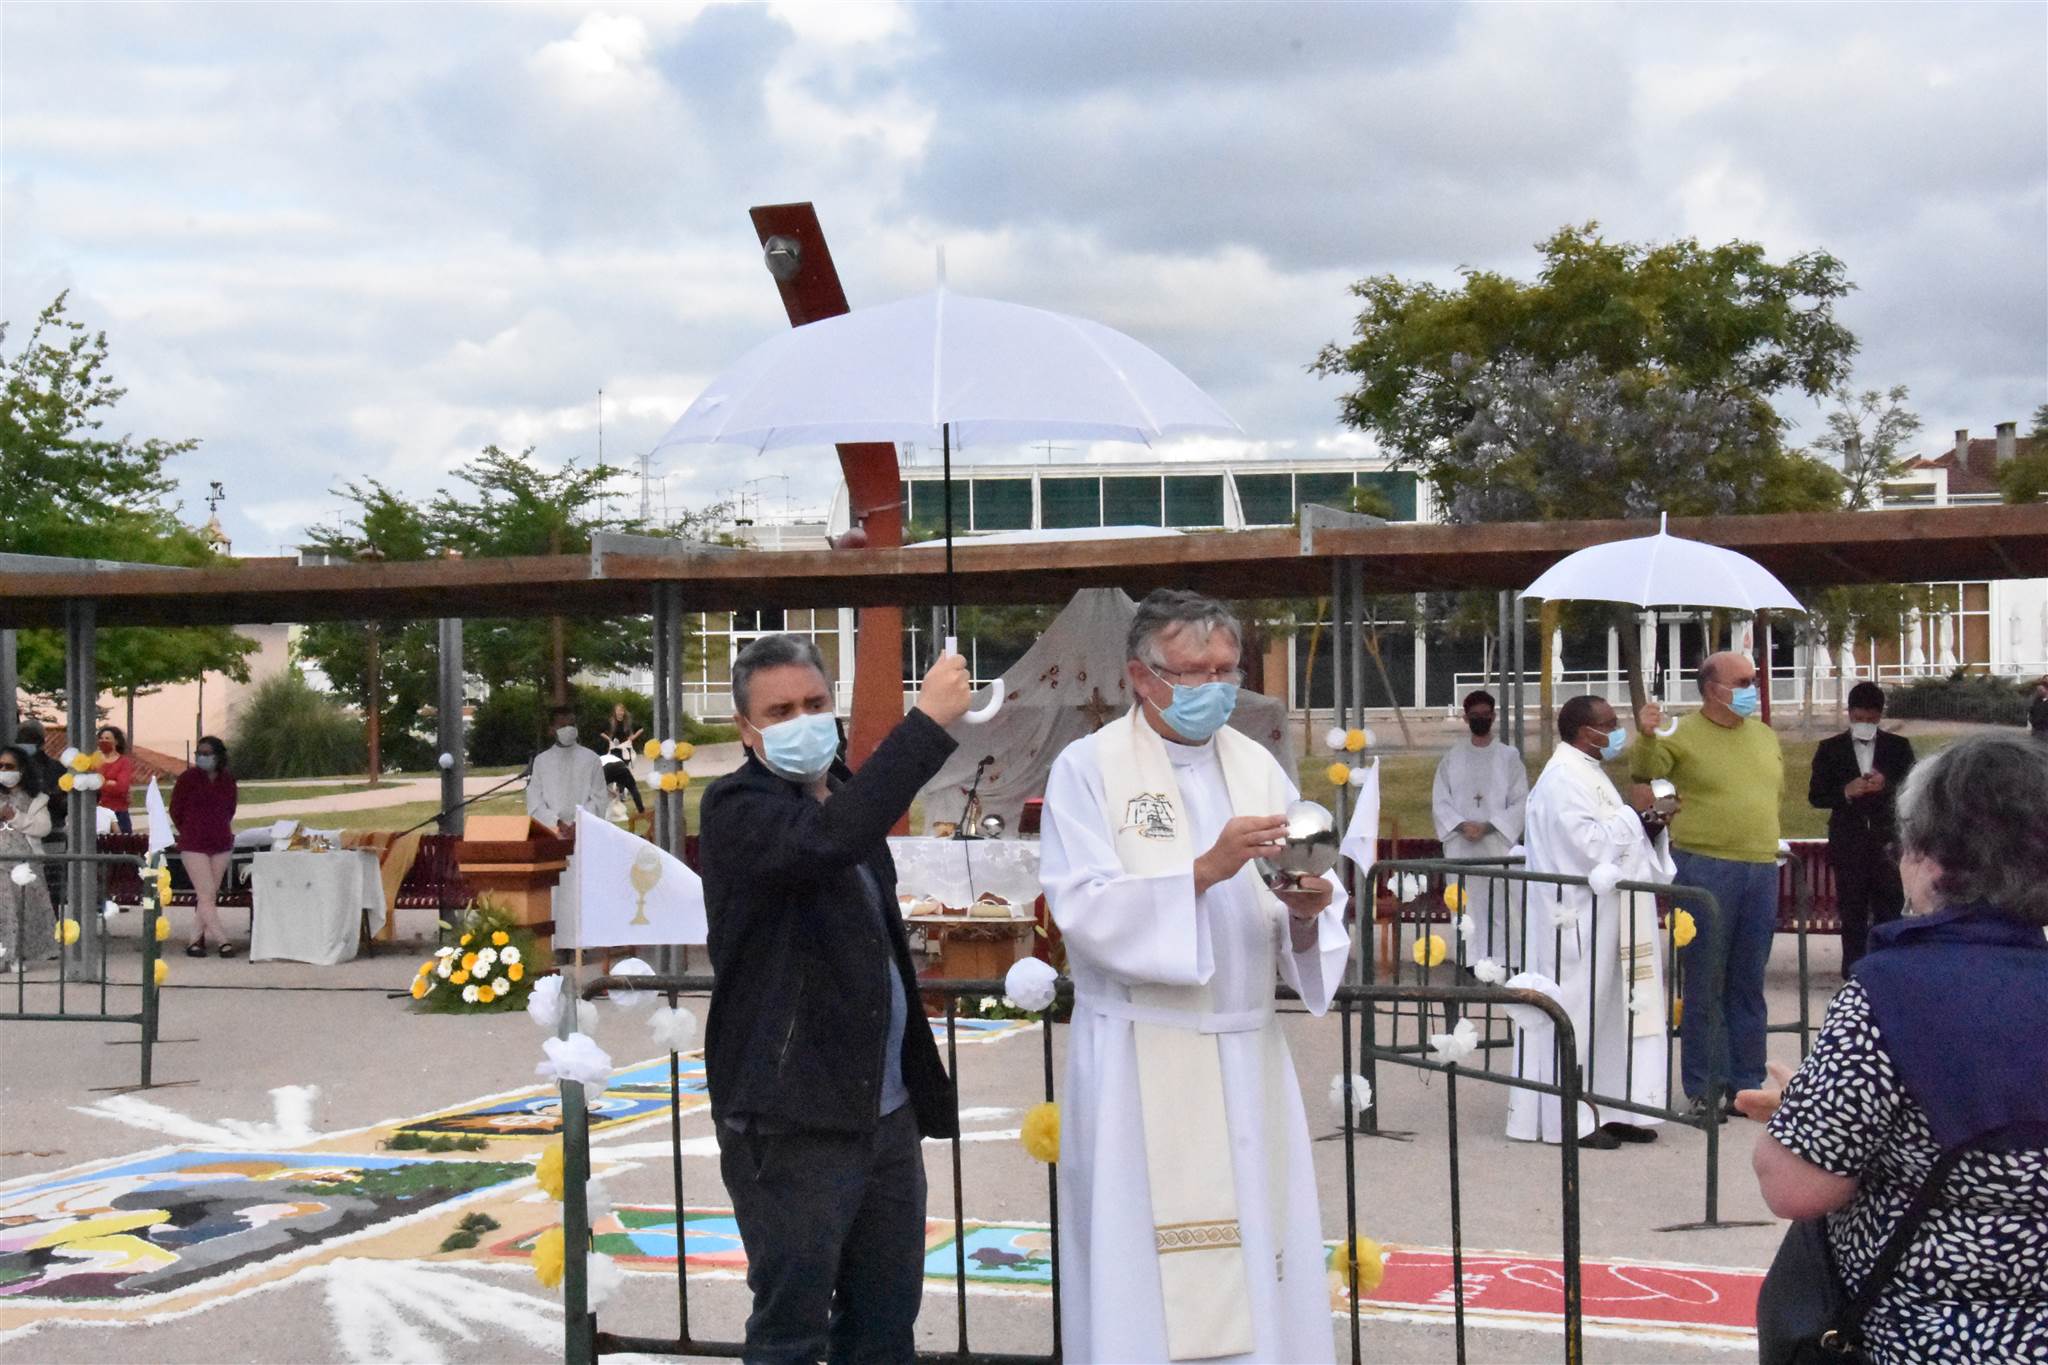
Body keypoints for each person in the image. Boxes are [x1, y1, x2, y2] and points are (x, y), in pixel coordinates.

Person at [1040, 589, 1353, 1365]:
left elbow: (1294, 904)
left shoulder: (1256, 766)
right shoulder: (1089, 769)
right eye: (1194, 671)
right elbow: (1084, 908)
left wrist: (1307, 909)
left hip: (1246, 1053)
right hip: (1140, 1057)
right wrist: (1203, 870)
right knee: (1144, 1272)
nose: (1215, 686)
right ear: (1141, 677)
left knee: (1258, 1246)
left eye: (1226, 669)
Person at [698, 635, 970, 1363]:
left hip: (883, 1113)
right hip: (791, 1118)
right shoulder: (737, 807)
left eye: (815, 703)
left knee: (884, 1325)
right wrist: (926, 724)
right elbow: (826, 841)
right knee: (791, 1330)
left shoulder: (845, 795)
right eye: (780, 711)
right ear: (746, 730)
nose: (803, 720)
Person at [1737, 733, 2048, 1363]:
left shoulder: (1892, 991)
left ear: (1931, 859)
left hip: (1921, 1336)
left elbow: (1795, 1187)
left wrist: (1800, 1109)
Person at [1509, 695, 1673, 1149]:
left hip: (1609, 917)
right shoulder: (1562, 778)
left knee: (1612, 1015)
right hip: (1574, 922)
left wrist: (1650, 823)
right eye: (1610, 723)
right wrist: (1635, 819)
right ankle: (1568, 1118)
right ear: (1586, 731)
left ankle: (1612, 1107)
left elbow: (1616, 839)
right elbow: (1588, 846)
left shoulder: (1589, 771)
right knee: (1575, 1016)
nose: (1618, 731)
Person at [1632, 651, 1783, 1117]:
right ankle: (1704, 1085)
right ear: (1712, 689)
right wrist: (1646, 733)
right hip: (1705, 866)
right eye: (1743, 681)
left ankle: (1747, 1084)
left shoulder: (1763, 735)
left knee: (1748, 980)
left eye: (1754, 680)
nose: (1752, 688)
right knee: (1705, 980)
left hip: (1761, 864)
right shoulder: (1683, 733)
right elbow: (1645, 772)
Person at [1807, 682, 1915, 974]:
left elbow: (1912, 790)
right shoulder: (1830, 749)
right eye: (1859, 718)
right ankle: (1853, 972)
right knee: (1852, 911)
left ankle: (1889, 970)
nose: (1865, 723)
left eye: (1871, 718)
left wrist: (1886, 785)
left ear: (1880, 716)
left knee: (1889, 910)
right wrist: (1845, 791)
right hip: (1849, 841)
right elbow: (1816, 796)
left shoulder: (1898, 747)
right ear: (1849, 713)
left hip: (1886, 843)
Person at [1431, 689, 1529, 965]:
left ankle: (1505, 959)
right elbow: (1440, 799)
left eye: (1485, 715)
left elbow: (1521, 800)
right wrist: (1461, 825)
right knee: (1466, 905)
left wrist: (1490, 826)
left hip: (1497, 844)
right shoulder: (1453, 757)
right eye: (1475, 715)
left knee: (1502, 903)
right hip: (1462, 846)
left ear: (1494, 716)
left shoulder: (1509, 757)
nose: (1480, 719)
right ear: (1465, 718)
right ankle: (1470, 960)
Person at [169, 735, 238, 956]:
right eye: (199, 753)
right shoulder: (187, 779)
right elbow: (176, 809)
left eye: (207, 754)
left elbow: (230, 808)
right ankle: (223, 941)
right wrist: (189, 828)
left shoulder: (227, 780)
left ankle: (194, 941)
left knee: (208, 895)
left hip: (220, 842)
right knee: (205, 892)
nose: (202, 757)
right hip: (194, 843)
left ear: (218, 756)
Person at [0, 745, 58, 962]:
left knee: (23, 910)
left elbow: (43, 828)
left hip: (24, 862)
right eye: (0, 766)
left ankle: (18, 954)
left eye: (9, 766)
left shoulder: (36, 799)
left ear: (22, 769)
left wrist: (14, 817)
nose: (3, 771)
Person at [524, 704, 609, 837]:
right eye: (562, 726)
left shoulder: (592, 759)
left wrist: (578, 823)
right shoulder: (541, 761)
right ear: (552, 729)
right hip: (552, 832)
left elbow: (599, 798)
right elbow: (535, 801)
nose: (568, 729)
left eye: (571, 725)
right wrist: (557, 823)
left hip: (586, 831)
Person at [14, 719, 68, 912]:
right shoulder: (55, 767)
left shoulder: (54, 768)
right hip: (30, 834)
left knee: (47, 887)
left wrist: (50, 799)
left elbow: (65, 801)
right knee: (42, 888)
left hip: (47, 834)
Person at [601, 702, 645, 816]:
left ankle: (621, 792)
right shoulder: (611, 722)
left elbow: (640, 728)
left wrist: (632, 738)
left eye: (621, 710)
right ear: (615, 712)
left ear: (624, 712)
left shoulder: (628, 722)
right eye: (618, 710)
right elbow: (601, 732)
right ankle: (620, 794)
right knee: (624, 778)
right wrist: (609, 740)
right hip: (615, 750)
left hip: (624, 750)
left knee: (623, 773)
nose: (619, 713)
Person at [96, 725, 137, 836]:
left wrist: (101, 782)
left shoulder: (124, 762)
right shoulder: (94, 761)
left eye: (107, 738)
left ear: (116, 741)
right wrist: (110, 782)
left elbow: (122, 788)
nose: (103, 741)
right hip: (99, 814)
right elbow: (89, 783)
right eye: (101, 738)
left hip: (119, 813)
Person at [2030, 674, 2048, 743]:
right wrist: (2033, 723)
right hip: (2037, 728)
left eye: (2041, 690)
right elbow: (2031, 712)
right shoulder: (2036, 701)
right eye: (2038, 690)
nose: (2039, 691)